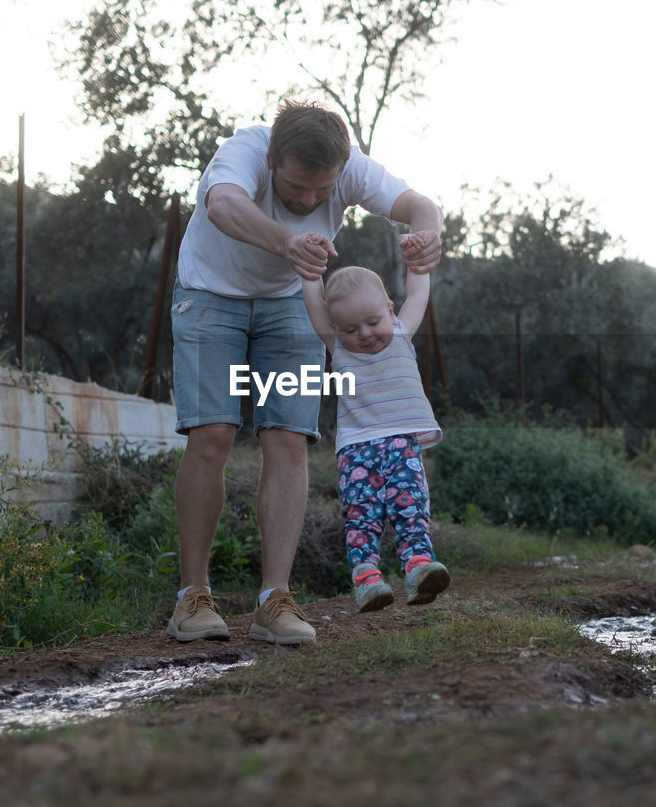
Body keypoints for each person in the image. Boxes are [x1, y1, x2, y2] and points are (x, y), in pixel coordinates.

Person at [166, 99, 442, 646]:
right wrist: (287, 240)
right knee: (213, 435)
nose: (311, 200)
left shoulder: (350, 167)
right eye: (298, 187)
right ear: (272, 158)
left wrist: (427, 232)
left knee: (289, 439)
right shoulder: (244, 150)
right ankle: (192, 598)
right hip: (208, 296)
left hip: (289, 304)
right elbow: (222, 206)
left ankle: (275, 599)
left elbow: (417, 203)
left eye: (324, 190)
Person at [300, 237, 451, 612]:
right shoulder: (339, 347)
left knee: (411, 507)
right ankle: (368, 580)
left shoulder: (400, 333)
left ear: (389, 310)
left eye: (373, 322)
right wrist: (310, 267)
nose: (364, 334)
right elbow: (314, 307)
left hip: (401, 443)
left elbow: (417, 295)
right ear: (337, 327)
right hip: (357, 450)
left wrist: (416, 261)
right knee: (361, 514)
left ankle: (418, 569)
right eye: (350, 329)